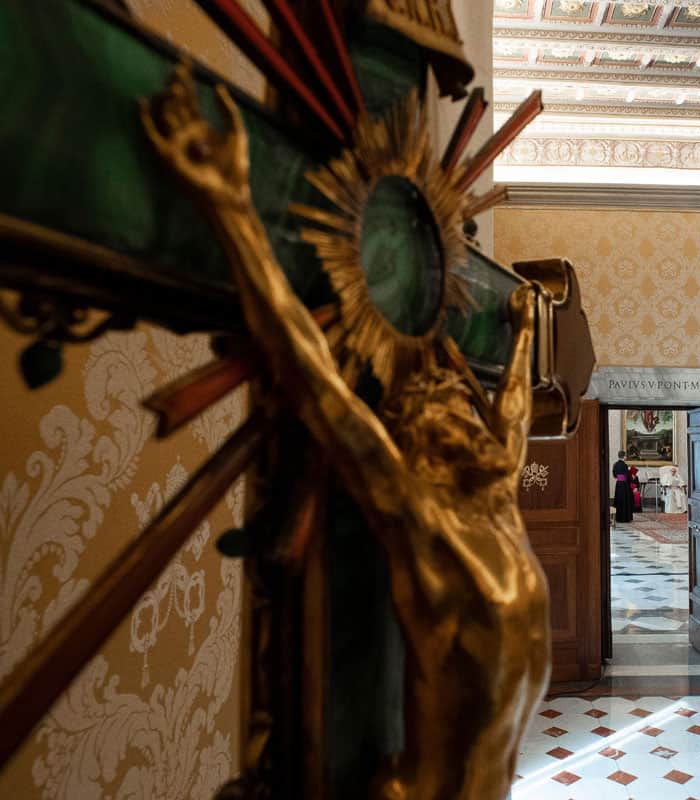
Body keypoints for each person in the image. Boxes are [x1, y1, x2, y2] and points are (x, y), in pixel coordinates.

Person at [142, 67, 551, 800]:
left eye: (464, 399)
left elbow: (514, 412)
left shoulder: (492, 497)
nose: (468, 401)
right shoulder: (424, 521)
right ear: (421, 449)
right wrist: (231, 205)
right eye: (451, 407)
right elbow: (317, 381)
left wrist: (522, 332)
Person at [612, 450, 634, 523]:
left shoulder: (615, 464)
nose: (626, 457)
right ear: (624, 456)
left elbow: (614, 475)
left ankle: (618, 517)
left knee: (619, 500)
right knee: (625, 501)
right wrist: (632, 478)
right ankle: (625, 518)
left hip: (618, 484)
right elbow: (627, 476)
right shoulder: (624, 465)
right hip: (624, 485)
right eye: (625, 456)